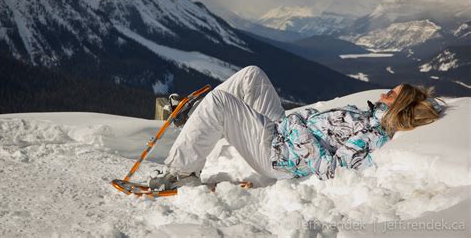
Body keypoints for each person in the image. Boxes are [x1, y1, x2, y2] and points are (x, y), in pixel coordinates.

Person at [149, 66, 443, 190]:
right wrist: (297, 125)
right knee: (252, 74)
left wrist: (299, 128)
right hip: (283, 132)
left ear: (397, 106)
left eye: (390, 95)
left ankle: (181, 173)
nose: (382, 94)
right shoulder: (369, 116)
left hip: (279, 154)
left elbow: (331, 169)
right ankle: (195, 119)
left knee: (220, 103)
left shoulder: (373, 135)